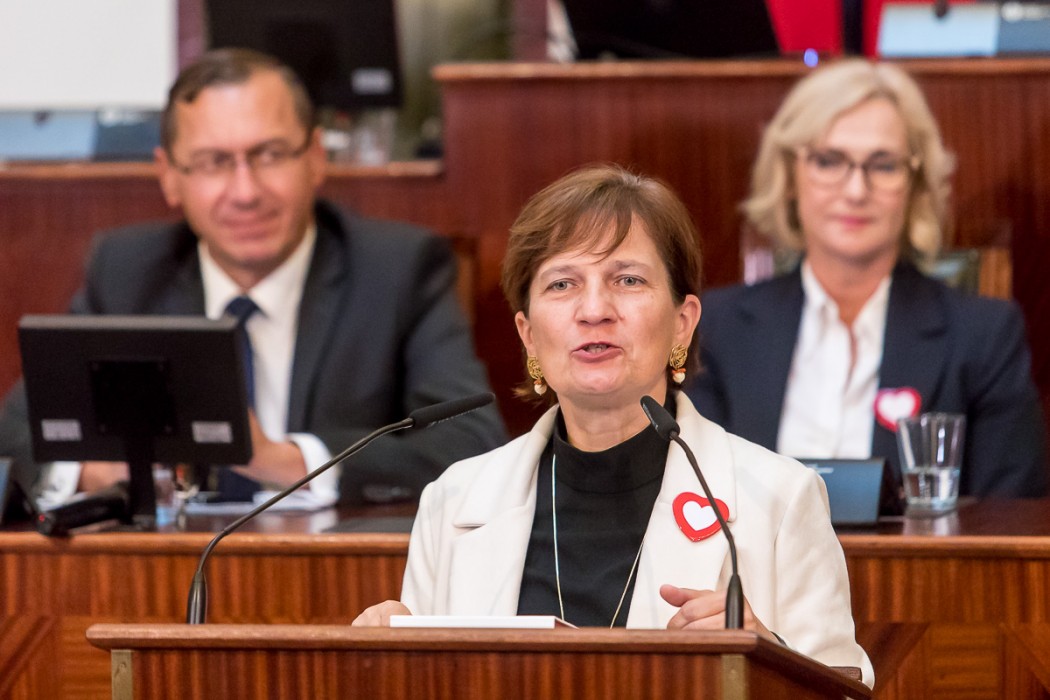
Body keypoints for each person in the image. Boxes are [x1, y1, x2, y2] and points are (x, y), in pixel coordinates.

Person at [352, 164, 874, 686]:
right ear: (528, 335)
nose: (594, 309)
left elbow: (841, 690)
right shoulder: (453, 501)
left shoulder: (780, 499)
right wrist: (382, 666)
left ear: (682, 324)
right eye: (562, 283)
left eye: (628, 280)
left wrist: (766, 659)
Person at [0, 48, 506, 510]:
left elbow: (472, 443)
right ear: (170, 176)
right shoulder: (127, 272)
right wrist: (97, 472)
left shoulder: (397, 270)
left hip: (332, 564)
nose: (245, 192)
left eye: (269, 155)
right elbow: (16, 434)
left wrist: (289, 462)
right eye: (213, 163)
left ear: (315, 158)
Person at [686, 59, 1047, 499]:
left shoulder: (984, 335)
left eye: (883, 165)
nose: (856, 190)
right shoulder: (716, 328)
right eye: (829, 161)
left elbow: (1009, 516)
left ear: (915, 184)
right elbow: (688, 500)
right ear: (791, 176)